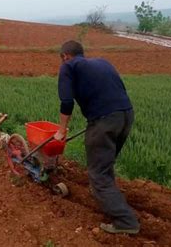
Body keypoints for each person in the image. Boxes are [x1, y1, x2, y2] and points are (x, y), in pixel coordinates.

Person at [54, 40, 140, 235]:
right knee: (105, 163)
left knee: (97, 173)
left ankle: (125, 220)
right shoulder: (103, 62)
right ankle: (104, 193)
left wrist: (61, 131)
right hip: (126, 115)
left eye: (62, 59)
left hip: (104, 121)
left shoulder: (68, 66)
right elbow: (119, 90)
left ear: (65, 56)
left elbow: (66, 102)